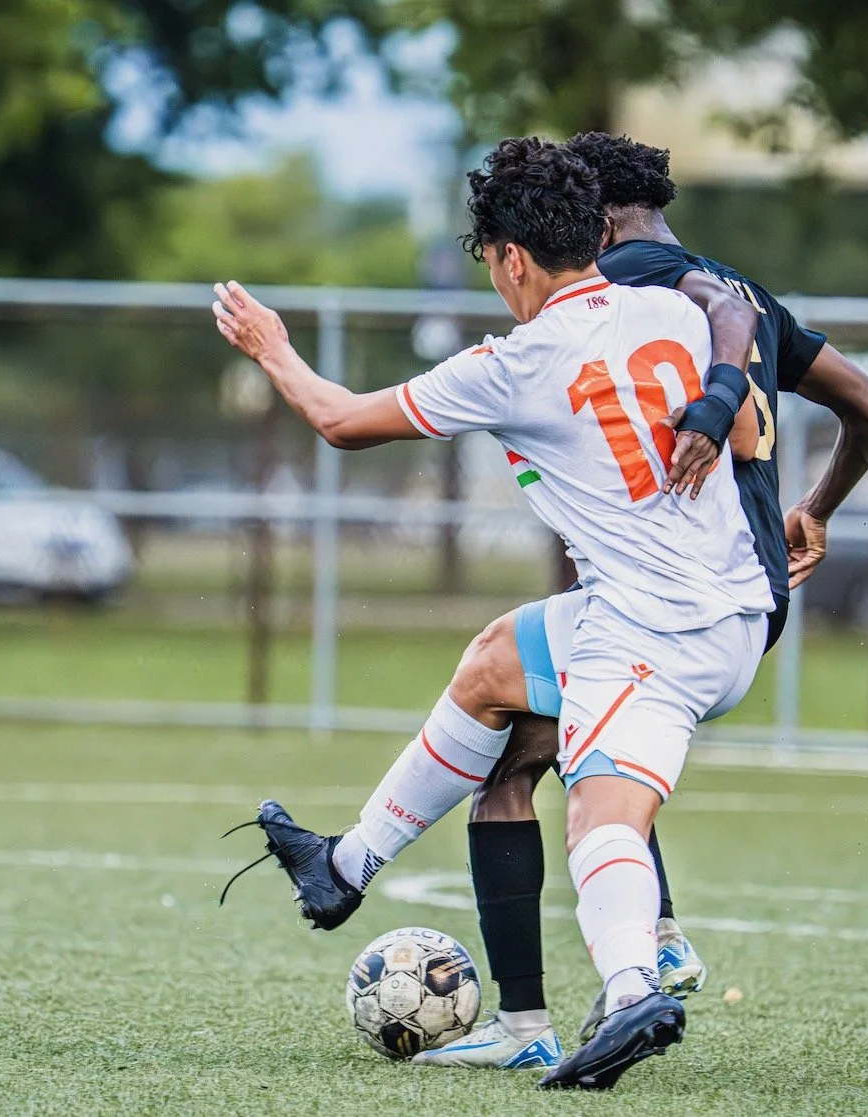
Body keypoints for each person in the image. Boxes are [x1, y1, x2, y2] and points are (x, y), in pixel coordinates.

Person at [215, 136, 778, 1090]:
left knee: (603, 815)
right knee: (493, 670)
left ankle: (638, 982)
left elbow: (343, 421)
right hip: (732, 610)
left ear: (512, 257)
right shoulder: (668, 310)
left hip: (652, 634)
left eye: (490, 265)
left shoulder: (514, 362)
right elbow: (735, 311)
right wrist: (722, 394)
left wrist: (273, 347)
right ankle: (346, 866)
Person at [415, 132, 868, 1069]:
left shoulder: (613, 285)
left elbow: (717, 394)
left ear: (587, 218)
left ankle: (587, 994)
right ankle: (639, 948)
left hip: (673, 598)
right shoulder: (739, 284)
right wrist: (814, 512)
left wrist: (718, 406)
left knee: (522, 765)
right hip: (750, 591)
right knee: (553, 747)